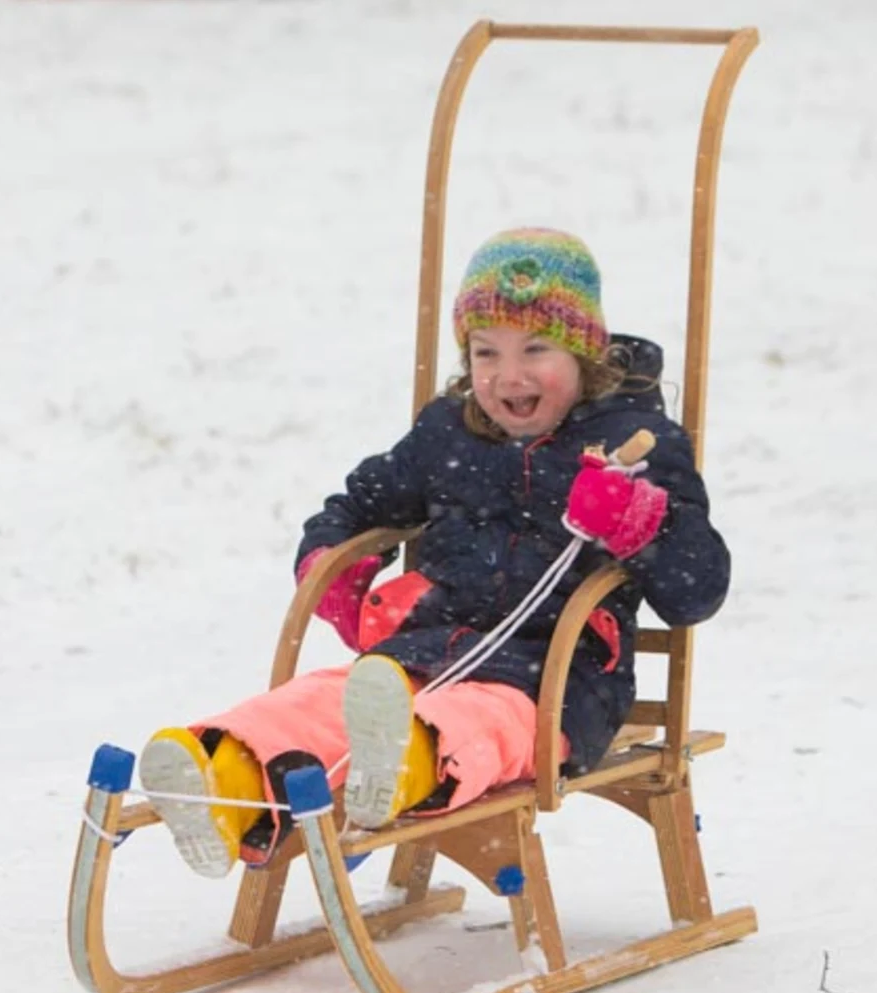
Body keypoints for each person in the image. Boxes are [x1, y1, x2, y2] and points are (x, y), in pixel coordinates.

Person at [139, 227, 730, 877]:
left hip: (556, 685)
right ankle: (220, 780)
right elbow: (358, 505)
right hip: (419, 656)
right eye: (485, 352)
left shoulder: (632, 446)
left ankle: (400, 768)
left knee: (473, 720)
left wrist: (637, 519)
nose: (509, 375)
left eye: (536, 348)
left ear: (585, 356)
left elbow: (696, 588)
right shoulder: (449, 433)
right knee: (316, 704)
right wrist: (331, 564)